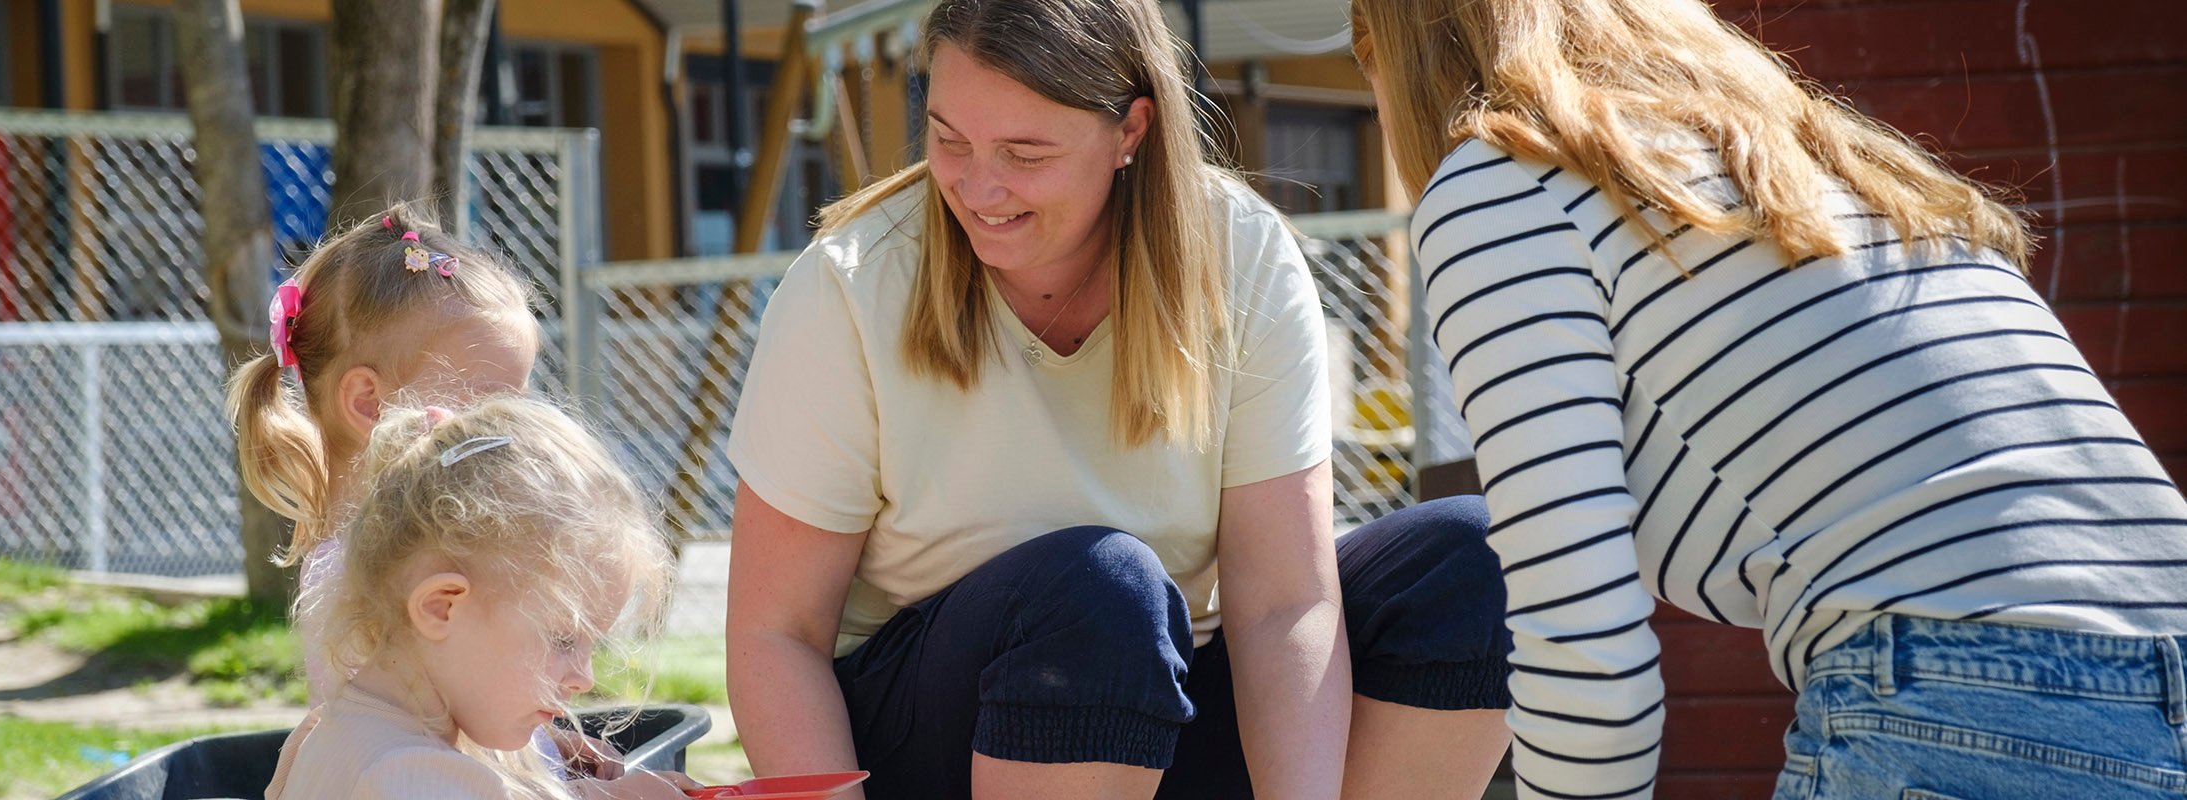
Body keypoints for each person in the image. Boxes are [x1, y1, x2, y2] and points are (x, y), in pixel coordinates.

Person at [1352, 0, 2187, 798]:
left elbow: (1585, 649)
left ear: (1406, 56)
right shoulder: (1814, 159)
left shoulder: (1500, 179)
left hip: (1967, 692)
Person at [722, 0, 1515, 797]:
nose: (977, 186)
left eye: (1025, 153)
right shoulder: (850, 284)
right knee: (1101, 594)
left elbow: (1282, 602)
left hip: (1156, 700)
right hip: (932, 736)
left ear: (1130, 133)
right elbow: (776, 635)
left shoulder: (1242, 253)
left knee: (1475, 559)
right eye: (948, 139)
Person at [226, 208, 621, 793]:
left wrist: (545, 747)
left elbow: (462, 706)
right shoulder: (366, 572)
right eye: (484, 404)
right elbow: (433, 758)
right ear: (369, 402)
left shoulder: (411, 553)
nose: (510, 429)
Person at [271, 398, 694, 799]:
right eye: (563, 639)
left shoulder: (338, 733)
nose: (583, 678)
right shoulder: (406, 775)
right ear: (442, 607)